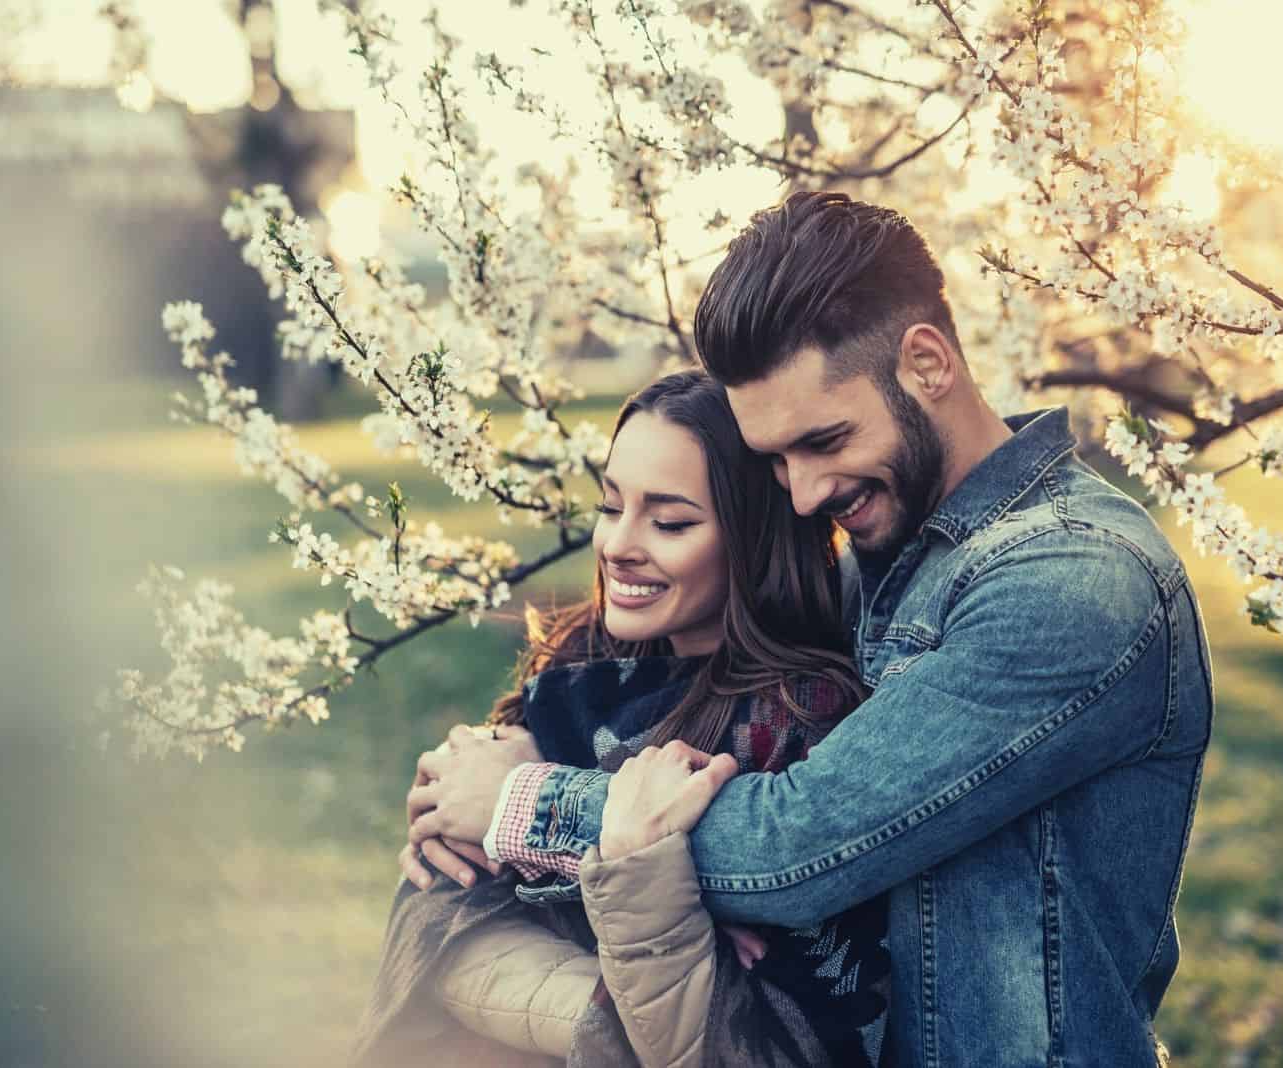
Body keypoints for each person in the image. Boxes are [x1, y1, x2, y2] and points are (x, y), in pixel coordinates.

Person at [406, 191, 1215, 1067]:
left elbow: (793, 846)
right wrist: (483, 764)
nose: (801, 494)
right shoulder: (881, 547)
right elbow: (717, 694)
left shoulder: (1072, 578)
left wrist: (521, 806)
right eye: (776, 459)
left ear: (928, 363)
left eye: (824, 439)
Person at [355, 370, 891, 1068]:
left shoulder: (799, 726)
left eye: (670, 522)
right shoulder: (577, 675)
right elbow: (439, 915)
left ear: (755, 541)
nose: (619, 545)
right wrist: (452, 820)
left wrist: (539, 841)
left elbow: (745, 1036)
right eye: (612, 507)